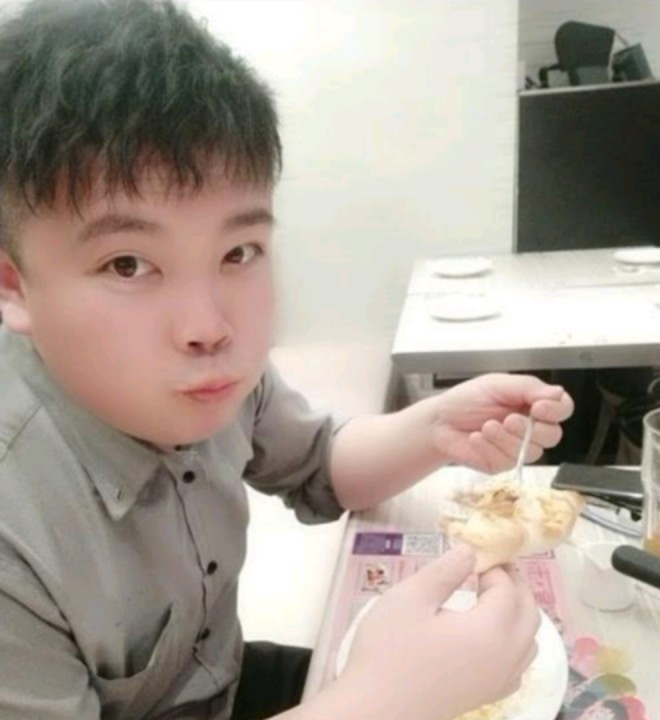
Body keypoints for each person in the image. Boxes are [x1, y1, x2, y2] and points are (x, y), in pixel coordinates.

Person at [0, 1, 574, 719]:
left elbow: (320, 464)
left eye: (239, 252)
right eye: (128, 264)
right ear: (14, 286)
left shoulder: (209, 379)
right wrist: (383, 702)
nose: (210, 327)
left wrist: (435, 427)